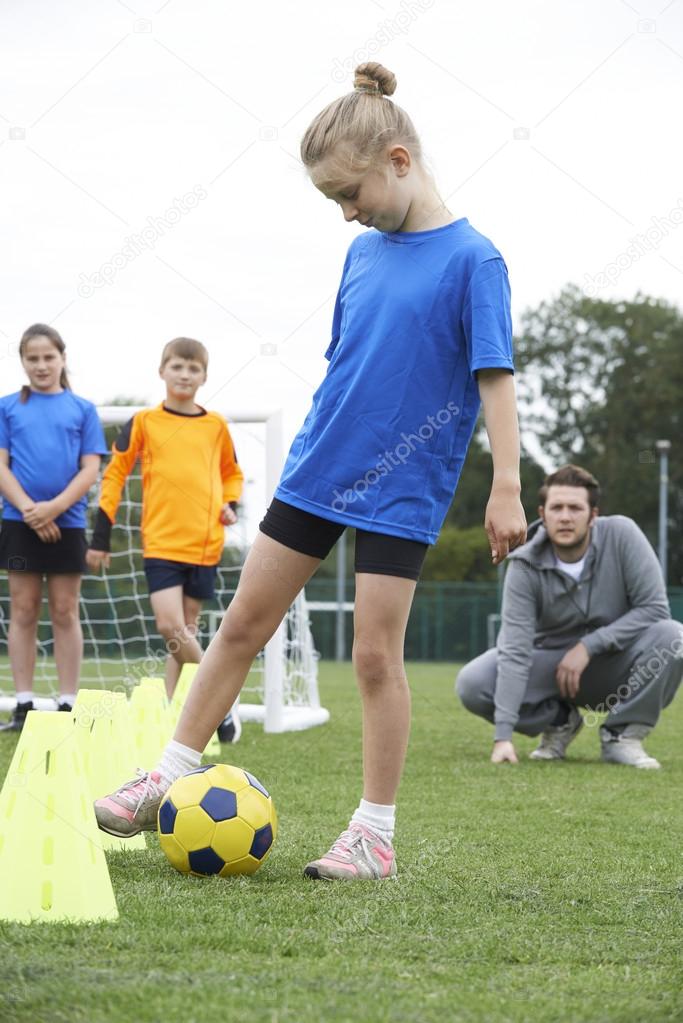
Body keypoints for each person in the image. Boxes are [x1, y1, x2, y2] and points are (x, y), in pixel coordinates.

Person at [93, 62, 527, 879]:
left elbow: (493, 374)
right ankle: (167, 775)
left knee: (371, 654)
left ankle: (372, 834)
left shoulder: (475, 260)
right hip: (317, 468)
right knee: (239, 627)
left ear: (398, 160)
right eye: (333, 199)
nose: (346, 213)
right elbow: (343, 364)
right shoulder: (362, 256)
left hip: (403, 482)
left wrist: (505, 482)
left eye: (349, 193)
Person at [456, 464, 683, 769]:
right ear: (543, 513)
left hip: (616, 663)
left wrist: (589, 645)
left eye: (575, 508)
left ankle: (621, 736)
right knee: (473, 683)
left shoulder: (623, 534)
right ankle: (560, 721)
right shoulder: (523, 565)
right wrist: (503, 737)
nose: (565, 516)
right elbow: (515, 650)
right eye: (557, 507)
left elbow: (655, 609)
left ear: (593, 515)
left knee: (674, 637)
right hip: (551, 668)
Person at [86, 337, 244, 740]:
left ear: (204, 376)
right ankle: (223, 701)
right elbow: (116, 471)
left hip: (206, 543)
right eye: (178, 366)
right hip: (161, 543)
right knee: (170, 626)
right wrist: (101, 534)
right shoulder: (144, 422)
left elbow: (233, 474)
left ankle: (172, 719)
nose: (185, 374)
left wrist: (231, 503)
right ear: (162, 371)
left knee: (182, 637)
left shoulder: (216, 425)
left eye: (194, 369)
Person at [0, 323, 108, 731]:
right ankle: (24, 704)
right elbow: (1, 465)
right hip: (18, 520)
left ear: (63, 358)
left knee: (64, 610)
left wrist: (55, 509)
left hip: (69, 522)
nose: (41, 365)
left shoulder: (83, 409)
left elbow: (90, 468)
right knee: (23, 609)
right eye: (33, 358)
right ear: (23, 362)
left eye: (48, 357)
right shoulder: (8, 407)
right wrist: (30, 509)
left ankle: (68, 704)